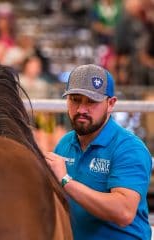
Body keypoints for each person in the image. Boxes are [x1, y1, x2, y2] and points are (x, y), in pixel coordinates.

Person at [45, 64, 152, 240]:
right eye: (75, 99)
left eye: (91, 101)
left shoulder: (129, 148)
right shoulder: (65, 143)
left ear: (111, 104)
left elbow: (124, 212)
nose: (81, 109)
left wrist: (66, 181)